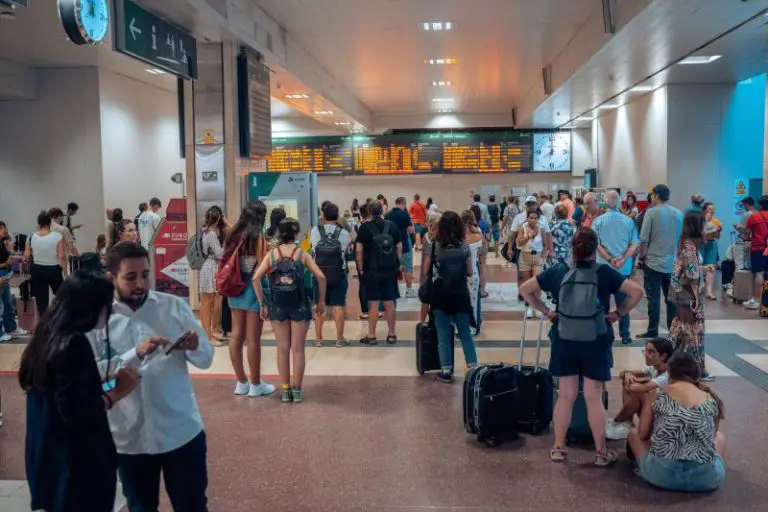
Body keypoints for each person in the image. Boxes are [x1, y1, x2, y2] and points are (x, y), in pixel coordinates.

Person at [87, 242, 213, 511]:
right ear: (112, 278)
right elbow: (91, 373)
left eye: (145, 274)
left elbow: (206, 358)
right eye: (130, 277)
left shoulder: (173, 308)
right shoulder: (99, 319)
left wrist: (195, 346)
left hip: (181, 432)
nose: (141, 283)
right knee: (140, 507)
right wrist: (135, 353)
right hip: (129, 438)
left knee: (192, 506)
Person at [519, 228, 643, 467]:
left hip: (564, 338)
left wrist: (547, 312)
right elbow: (636, 292)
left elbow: (525, 289)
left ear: (572, 250)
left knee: (565, 396)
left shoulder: (559, 271)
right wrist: (618, 313)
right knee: (593, 397)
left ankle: (558, 447)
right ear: (595, 250)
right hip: (596, 339)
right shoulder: (605, 272)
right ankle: (600, 453)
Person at [21, 271, 140, 512]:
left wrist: (104, 380)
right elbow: (77, 412)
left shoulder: (46, 337)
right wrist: (116, 393)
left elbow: (65, 390)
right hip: (76, 468)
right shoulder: (74, 344)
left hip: (47, 458)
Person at [627, 351, 726, 492]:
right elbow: (712, 435)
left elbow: (642, 434)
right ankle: (708, 468)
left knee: (633, 434)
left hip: (661, 476)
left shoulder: (656, 394)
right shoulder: (711, 398)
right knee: (720, 437)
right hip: (706, 480)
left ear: (669, 372)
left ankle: (645, 468)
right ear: (695, 373)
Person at [254, 218, 326, 402]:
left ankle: (285, 391)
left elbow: (256, 278)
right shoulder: (301, 253)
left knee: (282, 348)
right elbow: (321, 277)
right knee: (298, 349)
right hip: (299, 304)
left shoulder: (272, 254)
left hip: (278, 305)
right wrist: (321, 302)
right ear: (295, 234)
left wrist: (262, 302)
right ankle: (298, 390)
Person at [222, 201, 275, 397]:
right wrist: (263, 301)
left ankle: (241, 382)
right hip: (253, 288)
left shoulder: (233, 234)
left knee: (236, 335)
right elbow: (260, 270)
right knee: (253, 338)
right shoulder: (257, 236)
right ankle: (255, 384)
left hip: (234, 286)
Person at [422, 211, 478, 383]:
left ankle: (446, 371)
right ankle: (473, 369)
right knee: (465, 334)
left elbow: (425, 271)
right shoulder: (464, 246)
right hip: (460, 294)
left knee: (443, 335)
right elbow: (469, 271)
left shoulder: (435, 245)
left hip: (441, 295)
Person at [669, 211, 713, 381]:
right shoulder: (690, 247)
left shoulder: (685, 243)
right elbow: (692, 274)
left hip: (683, 295)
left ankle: (676, 365)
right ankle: (696, 369)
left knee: (682, 331)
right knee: (694, 334)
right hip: (690, 297)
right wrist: (701, 270)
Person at [592, 190, 640, 345]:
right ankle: (625, 335)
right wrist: (623, 259)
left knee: (602, 303)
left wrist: (609, 259)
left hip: (603, 268)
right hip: (623, 269)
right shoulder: (628, 221)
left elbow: (596, 244)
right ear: (620, 202)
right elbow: (634, 244)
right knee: (623, 304)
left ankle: (603, 333)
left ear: (605, 202)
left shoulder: (598, 221)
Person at [637, 184, 683, 339]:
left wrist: (641, 257)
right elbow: (681, 239)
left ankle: (652, 330)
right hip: (672, 263)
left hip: (653, 263)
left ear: (655, 195)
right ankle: (672, 331)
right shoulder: (678, 214)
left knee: (653, 299)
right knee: (671, 300)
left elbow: (644, 239)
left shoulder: (651, 213)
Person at [606, 337, 674, 440]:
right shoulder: (653, 369)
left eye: (651, 352)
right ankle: (626, 422)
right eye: (645, 351)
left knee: (639, 392)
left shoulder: (667, 375)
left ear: (663, 356)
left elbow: (638, 389)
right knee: (629, 382)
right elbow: (622, 374)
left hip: (664, 420)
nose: (646, 355)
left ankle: (619, 420)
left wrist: (631, 379)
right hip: (652, 412)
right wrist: (628, 374)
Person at [356, 201, 403, 345]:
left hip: (371, 271)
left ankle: (371, 335)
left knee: (373, 304)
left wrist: (361, 268)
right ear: (382, 211)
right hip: (389, 270)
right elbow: (399, 246)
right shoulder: (392, 226)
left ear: (369, 212)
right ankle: (391, 334)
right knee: (389, 303)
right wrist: (396, 263)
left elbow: (358, 250)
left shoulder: (364, 228)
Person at [311, 202, 351, 348]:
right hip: (338, 272)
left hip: (319, 273)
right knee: (339, 304)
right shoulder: (344, 233)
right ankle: (339, 339)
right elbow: (346, 249)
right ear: (338, 216)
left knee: (319, 304)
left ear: (322, 215)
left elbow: (313, 249)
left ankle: (318, 338)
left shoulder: (315, 231)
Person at [25, 210, 68, 315]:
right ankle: (61, 318)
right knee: (62, 295)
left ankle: (45, 325)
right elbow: (62, 257)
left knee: (41, 300)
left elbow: (26, 256)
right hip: (53, 269)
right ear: (50, 223)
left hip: (37, 270)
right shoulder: (57, 236)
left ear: (39, 224)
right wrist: (65, 273)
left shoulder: (30, 236)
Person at [510, 196, 552, 304]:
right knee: (526, 280)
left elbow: (547, 238)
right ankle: (527, 302)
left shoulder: (542, 222)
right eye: (528, 204)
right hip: (524, 254)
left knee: (537, 281)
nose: (530, 205)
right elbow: (515, 237)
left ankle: (536, 304)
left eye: (533, 203)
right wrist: (510, 247)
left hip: (537, 256)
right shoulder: (520, 221)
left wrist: (545, 253)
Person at [199, 206, 227, 345]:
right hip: (210, 267)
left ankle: (210, 333)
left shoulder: (206, 231)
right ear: (219, 218)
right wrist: (227, 246)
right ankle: (207, 335)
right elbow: (219, 254)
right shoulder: (210, 234)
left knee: (211, 300)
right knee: (207, 302)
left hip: (210, 267)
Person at [0, 221, 27, 342]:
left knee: (8, 303)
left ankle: (11, 328)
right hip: (1, 275)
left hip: (5, 274)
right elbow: (5, 261)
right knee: (1, 306)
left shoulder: (2, 242)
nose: (5, 230)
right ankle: (0, 333)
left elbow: (8, 254)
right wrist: (6, 263)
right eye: (2, 228)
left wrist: (19, 257)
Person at [516, 210, 545, 319]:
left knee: (537, 284)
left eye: (535, 218)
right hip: (525, 257)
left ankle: (537, 307)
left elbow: (545, 243)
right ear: (527, 218)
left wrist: (543, 256)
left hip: (537, 257)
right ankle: (528, 306)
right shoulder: (522, 227)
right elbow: (519, 243)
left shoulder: (541, 228)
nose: (533, 220)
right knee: (528, 284)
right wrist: (528, 236)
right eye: (531, 218)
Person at [385, 197, 416, 297]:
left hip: (391, 245)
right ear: (403, 204)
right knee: (408, 268)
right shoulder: (405, 214)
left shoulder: (387, 214)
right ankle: (409, 291)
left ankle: (393, 290)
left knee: (393, 268)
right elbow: (411, 230)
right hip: (404, 244)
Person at [743, 195, 768, 310]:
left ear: (760, 205)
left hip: (759, 248)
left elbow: (747, 234)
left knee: (759, 273)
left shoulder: (755, 217)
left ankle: (757, 300)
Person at [463, 210, 485, 333]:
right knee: (473, 301)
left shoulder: (457, 237)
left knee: (460, 301)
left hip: (459, 272)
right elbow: (479, 254)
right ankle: (473, 326)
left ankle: (459, 327)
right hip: (474, 271)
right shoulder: (478, 236)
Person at [419, 212, 441, 323]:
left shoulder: (427, 237)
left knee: (425, 300)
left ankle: (422, 322)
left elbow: (427, 258)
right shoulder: (442, 238)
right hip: (438, 274)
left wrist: (424, 273)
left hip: (427, 274)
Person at [700, 202, 722, 300]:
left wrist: (717, 231)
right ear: (704, 210)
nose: (712, 211)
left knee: (711, 268)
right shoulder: (699, 220)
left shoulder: (716, 221)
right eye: (709, 209)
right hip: (700, 244)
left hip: (711, 245)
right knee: (699, 266)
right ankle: (699, 287)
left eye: (713, 209)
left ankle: (709, 292)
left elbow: (717, 237)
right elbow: (698, 233)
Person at [733, 196, 756, 271]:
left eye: (743, 205)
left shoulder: (746, 214)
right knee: (750, 265)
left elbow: (743, 230)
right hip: (753, 241)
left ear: (746, 204)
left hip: (743, 241)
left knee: (739, 265)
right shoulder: (758, 214)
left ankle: (739, 282)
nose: (743, 207)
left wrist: (736, 226)